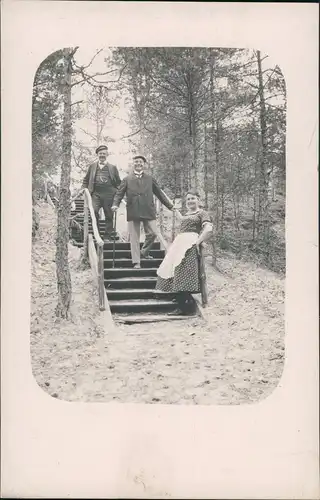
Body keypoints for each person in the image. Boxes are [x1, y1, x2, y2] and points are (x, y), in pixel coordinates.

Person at [111, 154, 178, 268]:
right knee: (134, 237)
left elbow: (159, 193)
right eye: (136, 162)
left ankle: (143, 252)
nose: (138, 164)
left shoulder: (150, 179)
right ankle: (136, 261)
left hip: (148, 210)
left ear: (144, 164)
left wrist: (170, 206)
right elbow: (119, 193)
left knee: (152, 233)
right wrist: (115, 204)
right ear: (133, 164)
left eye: (140, 162)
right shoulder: (127, 179)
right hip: (133, 210)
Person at [155, 189, 213, 315]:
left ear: (198, 200)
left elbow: (208, 229)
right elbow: (181, 220)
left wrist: (198, 241)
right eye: (188, 199)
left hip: (190, 244)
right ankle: (182, 301)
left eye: (193, 198)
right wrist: (174, 209)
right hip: (180, 243)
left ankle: (184, 307)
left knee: (183, 272)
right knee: (173, 269)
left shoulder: (202, 213)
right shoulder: (187, 214)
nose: (190, 201)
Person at [82, 145, 121, 242]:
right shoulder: (92, 166)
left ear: (107, 154)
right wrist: (83, 189)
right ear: (97, 154)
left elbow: (118, 182)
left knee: (109, 214)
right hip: (96, 194)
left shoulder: (113, 167)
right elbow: (86, 180)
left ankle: (107, 236)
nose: (102, 155)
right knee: (93, 211)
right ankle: (97, 234)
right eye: (100, 154)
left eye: (104, 153)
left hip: (109, 194)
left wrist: (118, 194)